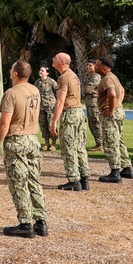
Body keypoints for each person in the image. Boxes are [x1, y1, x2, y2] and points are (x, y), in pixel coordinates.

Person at [0, 60, 48, 238]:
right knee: (34, 180)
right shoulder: (35, 90)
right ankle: (41, 221)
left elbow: (4, 123)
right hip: (33, 139)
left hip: (17, 139)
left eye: (11, 69)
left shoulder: (11, 93)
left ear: (15, 73)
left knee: (18, 182)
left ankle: (25, 224)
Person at [49, 53, 90, 191]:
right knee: (79, 146)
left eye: (55, 58)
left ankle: (73, 179)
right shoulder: (73, 75)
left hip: (70, 113)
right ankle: (84, 177)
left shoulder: (64, 77)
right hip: (79, 112)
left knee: (68, 147)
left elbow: (60, 101)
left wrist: (54, 121)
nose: (53, 59)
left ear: (61, 62)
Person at [95, 57, 132, 183]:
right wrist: (118, 105)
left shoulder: (107, 79)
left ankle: (115, 172)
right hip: (119, 111)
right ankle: (126, 168)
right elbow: (122, 90)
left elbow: (112, 94)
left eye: (97, 65)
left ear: (105, 68)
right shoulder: (113, 76)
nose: (95, 66)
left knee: (110, 142)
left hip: (111, 114)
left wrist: (110, 109)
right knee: (118, 140)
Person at [34, 66, 58, 151]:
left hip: (50, 107)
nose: (40, 72)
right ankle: (46, 143)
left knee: (51, 124)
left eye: (42, 71)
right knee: (43, 125)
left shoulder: (52, 82)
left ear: (47, 73)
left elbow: (57, 92)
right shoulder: (37, 82)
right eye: (40, 70)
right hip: (41, 107)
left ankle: (54, 144)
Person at [83, 60, 103, 150]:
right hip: (89, 103)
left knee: (96, 123)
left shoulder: (96, 77)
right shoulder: (89, 77)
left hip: (94, 104)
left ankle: (101, 144)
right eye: (88, 65)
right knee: (92, 124)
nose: (88, 67)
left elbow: (87, 89)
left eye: (90, 65)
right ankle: (98, 143)